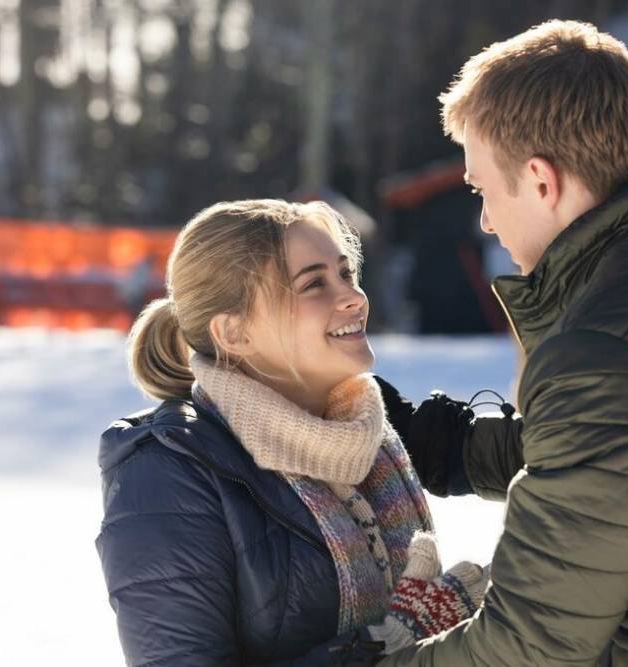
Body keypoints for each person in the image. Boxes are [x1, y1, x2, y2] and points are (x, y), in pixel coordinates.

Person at [377, 19, 628, 666]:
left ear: (541, 180)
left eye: (482, 189)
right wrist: (454, 449)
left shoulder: (609, 350)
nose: (483, 217)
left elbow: (529, 646)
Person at [95, 199, 493, 666]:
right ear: (234, 333)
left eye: (346, 274)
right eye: (314, 284)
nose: (353, 298)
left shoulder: (369, 434)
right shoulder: (167, 473)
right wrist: (388, 644)